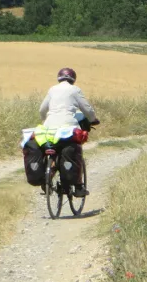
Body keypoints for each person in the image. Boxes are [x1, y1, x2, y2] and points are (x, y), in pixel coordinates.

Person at [27, 67, 96, 197]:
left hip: (49, 127)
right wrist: (93, 119)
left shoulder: (52, 89)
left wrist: (45, 121)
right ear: (73, 79)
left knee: (52, 148)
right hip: (68, 128)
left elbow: (42, 109)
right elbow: (87, 108)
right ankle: (79, 186)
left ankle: (47, 177)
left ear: (59, 78)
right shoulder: (75, 90)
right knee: (75, 151)